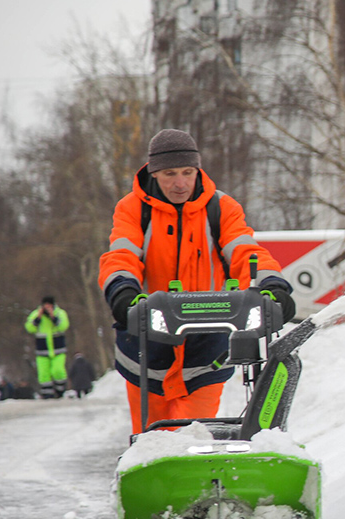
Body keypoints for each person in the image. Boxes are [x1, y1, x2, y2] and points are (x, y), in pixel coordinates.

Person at [99, 128, 295, 434]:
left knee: (194, 433)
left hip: (207, 344)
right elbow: (122, 256)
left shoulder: (221, 208)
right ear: (154, 172)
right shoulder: (134, 209)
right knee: (152, 439)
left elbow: (245, 252)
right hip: (147, 345)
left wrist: (273, 285)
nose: (180, 183)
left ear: (197, 170)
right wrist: (122, 292)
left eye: (187, 172)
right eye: (170, 174)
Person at [24, 295, 70, 398]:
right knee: (43, 374)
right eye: (45, 305)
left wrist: (53, 317)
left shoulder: (60, 313)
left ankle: (60, 390)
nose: (47, 308)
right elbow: (29, 328)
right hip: (42, 350)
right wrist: (38, 318)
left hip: (58, 349)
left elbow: (63, 326)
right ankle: (47, 394)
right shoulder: (35, 314)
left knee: (58, 370)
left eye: (49, 306)